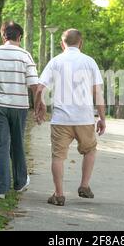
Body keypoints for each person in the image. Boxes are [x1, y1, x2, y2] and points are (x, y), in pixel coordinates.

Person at [35, 29, 106, 206]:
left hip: (61, 120)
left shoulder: (55, 61)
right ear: (80, 43)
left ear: (62, 43)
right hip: (85, 119)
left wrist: (40, 107)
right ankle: (84, 185)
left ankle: (58, 195)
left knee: (58, 157)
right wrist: (102, 118)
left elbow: (39, 88)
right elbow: (97, 92)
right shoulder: (89, 62)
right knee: (90, 150)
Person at [0, 21, 39, 199]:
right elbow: (34, 84)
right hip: (19, 107)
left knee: (1, 145)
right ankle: (20, 183)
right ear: (19, 37)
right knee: (18, 143)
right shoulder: (25, 55)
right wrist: (38, 106)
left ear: (3, 35)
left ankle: (0, 190)